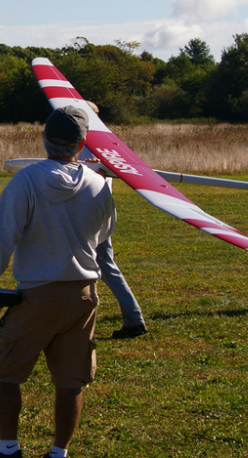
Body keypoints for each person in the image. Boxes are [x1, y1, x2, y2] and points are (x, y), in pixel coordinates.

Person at [0, 105, 116, 458]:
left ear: (45, 139)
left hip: (36, 295)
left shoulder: (27, 180)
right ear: (81, 145)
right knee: (71, 380)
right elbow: (105, 232)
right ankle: (58, 453)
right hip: (83, 296)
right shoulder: (99, 184)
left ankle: (9, 450)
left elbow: (2, 238)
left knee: (4, 373)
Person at [82, 101, 147, 339]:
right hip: (93, 210)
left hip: (91, 211)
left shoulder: (97, 146)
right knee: (100, 265)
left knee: (104, 265)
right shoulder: (96, 144)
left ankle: (133, 319)